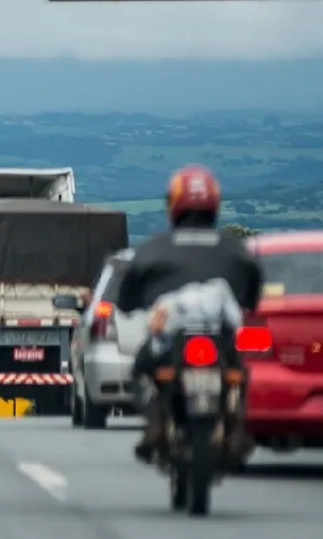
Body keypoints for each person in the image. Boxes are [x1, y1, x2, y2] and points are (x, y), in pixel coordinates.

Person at [113, 164, 264, 464]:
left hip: (174, 344)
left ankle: (155, 426)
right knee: (243, 372)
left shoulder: (155, 247)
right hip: (219, 341)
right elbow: (253, 293)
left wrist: (136, 306)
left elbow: (127, 296)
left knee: (142, 368)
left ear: (173, 205)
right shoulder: (234, 248)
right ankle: (237, 426)